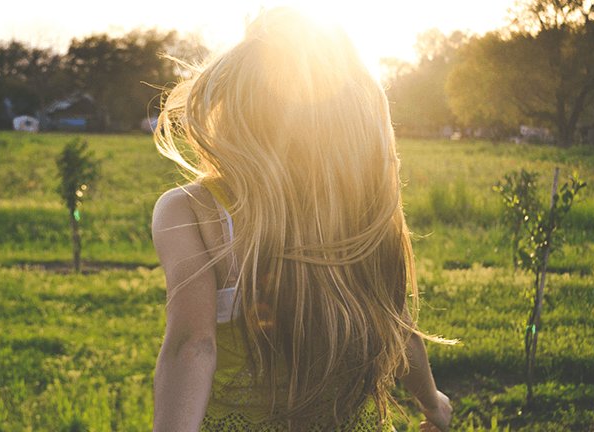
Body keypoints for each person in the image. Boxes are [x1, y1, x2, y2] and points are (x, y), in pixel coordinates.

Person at [151, 8, 453, 431]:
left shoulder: (190, 209)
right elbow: (398, 325)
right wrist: (431, 402)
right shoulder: (360, 210)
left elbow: (192, 346)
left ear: (234, 106)